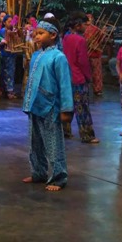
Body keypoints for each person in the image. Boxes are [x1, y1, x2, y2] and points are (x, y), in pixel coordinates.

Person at [22, 18, 73, 192]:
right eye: (36, 33)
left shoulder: (59, 57)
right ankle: (38, 172)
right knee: (34, 141)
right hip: (35, 104)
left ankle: (59, 177)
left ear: (53, 35)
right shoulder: (36, 55)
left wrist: (66, 109)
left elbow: (65, 84)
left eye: (41, 33)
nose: (36, 37)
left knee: (53, 142)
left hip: (51, 106)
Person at [62, 16, 100, 144]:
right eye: (85, 25)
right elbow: (83, 61)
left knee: (67, 105)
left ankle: (65, 131)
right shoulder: (80, 40)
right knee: (82, 107)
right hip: (78, 77)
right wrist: (88, 77)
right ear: (78, 25)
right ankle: (87, 134)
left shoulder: (65, 37)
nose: (87, 27)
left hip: (66, 76)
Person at [0, 15, 18, 99]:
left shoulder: (12, 30)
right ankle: (8, 91)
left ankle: (10, 90)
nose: (11, 23)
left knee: (11, 72)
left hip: (12, 54)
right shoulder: (3, 31)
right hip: (5, 54)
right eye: (9, 22)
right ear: (4, 22)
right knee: (6, 73)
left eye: (12, 21)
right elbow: (3, 41)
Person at [84, 13, 104, 96]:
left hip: (95, 53)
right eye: (87, 18)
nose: (89, 20)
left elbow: (101, 41)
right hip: (86, 53)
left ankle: (97, 89)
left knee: (97, 73)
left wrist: (102, 33)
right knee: (86, 72)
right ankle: (86, 89)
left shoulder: (96, 29)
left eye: (90, 18)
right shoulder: (83, 29)